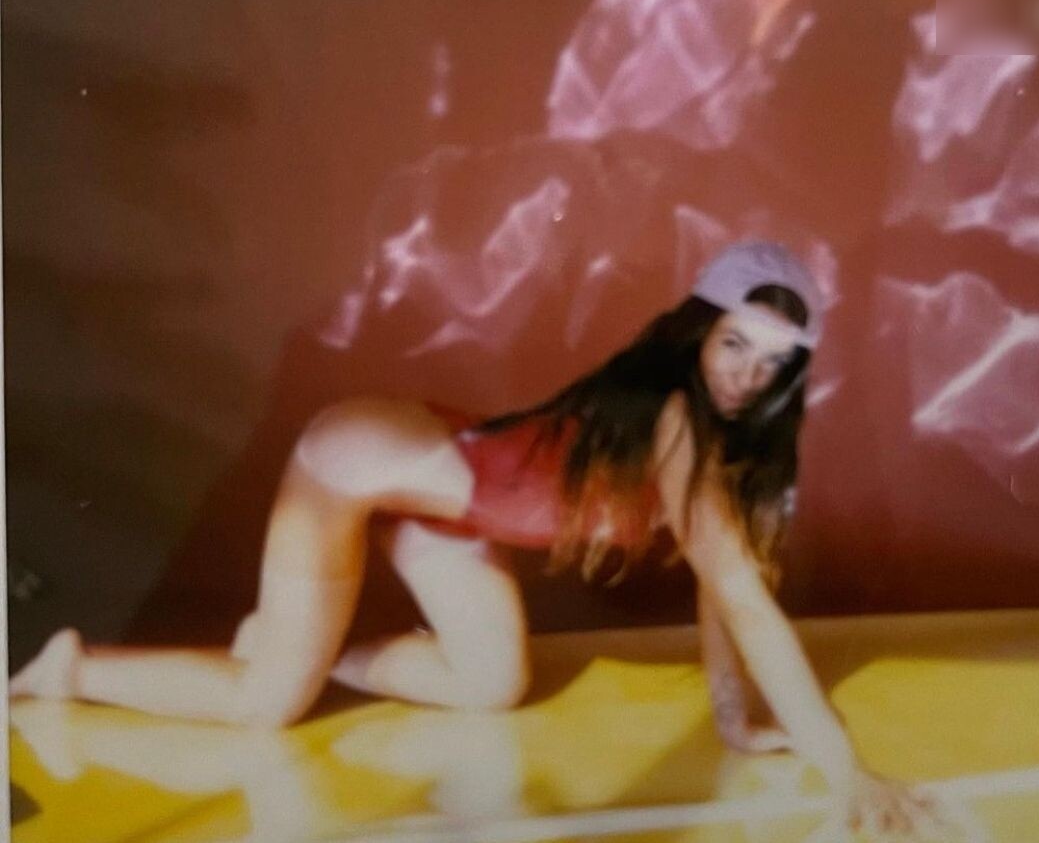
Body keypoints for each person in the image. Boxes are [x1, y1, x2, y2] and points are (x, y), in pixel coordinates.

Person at [12, 242, 939, 835]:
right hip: (354, 462)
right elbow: (744, 597)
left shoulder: (721, 447)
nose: (747, 376)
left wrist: (733, 718)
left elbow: (718, 590)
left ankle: (309, 647)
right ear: (698, 330)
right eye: (734, 344)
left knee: (494, 683)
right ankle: (72, 667)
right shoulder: (671, 418)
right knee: (265, 705)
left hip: (449, 501)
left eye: (773, 363)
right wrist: (845, 770)